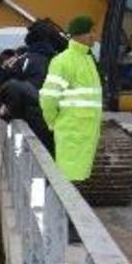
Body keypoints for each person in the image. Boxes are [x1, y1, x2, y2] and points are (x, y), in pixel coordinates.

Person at [41, 15, 103, 183]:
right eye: (92, 31)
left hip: (85, 132)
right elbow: (48, 97)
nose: (95, 36)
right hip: (72, 132)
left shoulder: (88, 59)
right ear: (82, 34)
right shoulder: (63, 61)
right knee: (68, 182)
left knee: (77, 181)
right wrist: (54, 122)